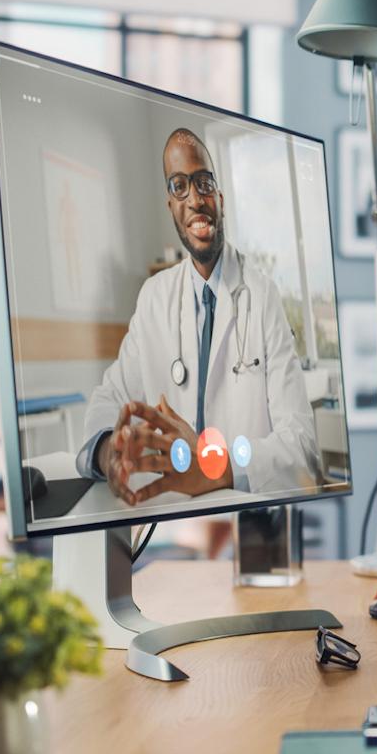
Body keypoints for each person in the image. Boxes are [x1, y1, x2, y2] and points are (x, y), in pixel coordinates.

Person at [76, 128, 320, 505]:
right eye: (179, 187)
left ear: (221, 199)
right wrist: (110, 451)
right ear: (170, 206)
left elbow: (301, 444)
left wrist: (216, 464)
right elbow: (110, 398)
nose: (194, 199)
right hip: (172, 514)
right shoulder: (154, 297)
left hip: (243, 512)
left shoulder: (262, 294)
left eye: (203, 183)